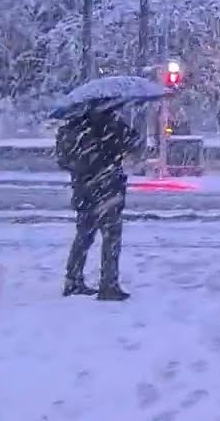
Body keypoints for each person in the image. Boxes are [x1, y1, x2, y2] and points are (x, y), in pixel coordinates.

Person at [54, 105, 141, 301]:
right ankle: (108, 284)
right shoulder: (108, 124)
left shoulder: (71, 128)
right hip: (107, 190)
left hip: (83, 190)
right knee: (111, 238)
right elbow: (130, 143)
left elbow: (63, 161)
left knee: (84, 236)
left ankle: (73, 279)